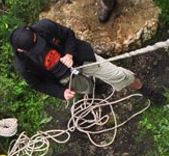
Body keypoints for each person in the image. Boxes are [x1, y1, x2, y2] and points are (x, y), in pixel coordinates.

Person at [10, 21, 141, 102]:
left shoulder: (45, 27)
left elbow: (68, 35)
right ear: (21, 50)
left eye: (37, 39)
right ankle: (96, 89)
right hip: (64, 77)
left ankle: (143, 89)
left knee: (119, 75)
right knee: (88, 88)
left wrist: (69, 54)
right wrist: (60, 93)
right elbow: (38, 84)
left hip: (80, 58)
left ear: (30, 30)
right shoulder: (24, 66)